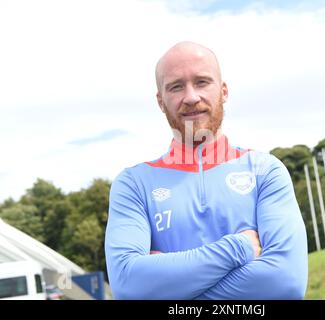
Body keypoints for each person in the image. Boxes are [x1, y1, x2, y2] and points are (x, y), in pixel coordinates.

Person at [104, 41, 308, 300]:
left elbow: (284, 284)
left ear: (223, 91)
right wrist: (239, 247)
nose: (190, 97)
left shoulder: (265, 171)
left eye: (202, 82)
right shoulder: (133, 184)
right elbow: (128, 287)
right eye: (176, 86)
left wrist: (167, 288)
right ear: (160, 100)